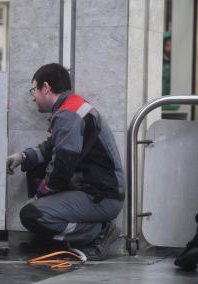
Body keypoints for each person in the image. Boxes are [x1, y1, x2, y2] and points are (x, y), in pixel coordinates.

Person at [7, 63, 125, 260]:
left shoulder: (68, 114)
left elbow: (62, 164)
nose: (32, 96)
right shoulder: (72, 107)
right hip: (98, 189)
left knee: (31, 215)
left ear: (46, 88)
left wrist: (41, 194)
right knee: (35, 168)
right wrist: (23, 157)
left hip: (101, 195)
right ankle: (52, 239)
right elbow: (52, 147)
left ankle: (99, 232)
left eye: (33, 90)